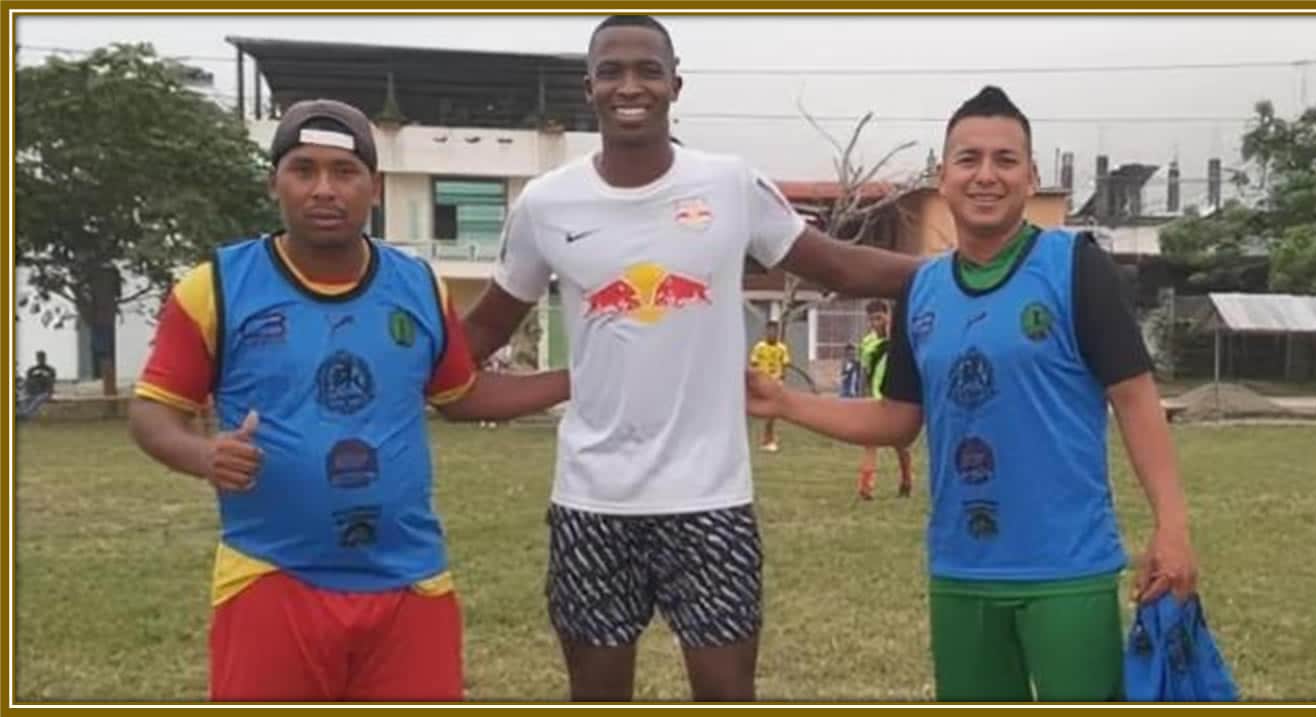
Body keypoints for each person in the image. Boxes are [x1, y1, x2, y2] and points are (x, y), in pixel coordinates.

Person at [459, 14, 921, 702]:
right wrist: (393, 362)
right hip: (592, 500)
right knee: (596, 694)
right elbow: (482, 332)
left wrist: (961, 270)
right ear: (588, 87)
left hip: (712, 498)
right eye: (611, 71)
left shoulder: (730, 185)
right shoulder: (546, 204)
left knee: (727, 693)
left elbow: (842, 267)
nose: (630, 85)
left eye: (647, 69)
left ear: (676, 84)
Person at [746, 86, 1198, 701]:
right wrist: (786, 402)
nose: (986, 175)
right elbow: (899, 418)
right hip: (961, 570)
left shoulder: (1075, 266)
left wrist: (1172, 528)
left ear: (1031, 176)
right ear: (943, 173)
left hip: (1067, 569)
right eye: (969, 159)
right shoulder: (922, 289)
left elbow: (1136, 399)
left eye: (1005, 161)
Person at [127, 99, 570, 702]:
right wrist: (202, 454)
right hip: (271, 574)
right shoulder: (216, 287)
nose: (323, 189)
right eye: (303, 170)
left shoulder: (417, 285)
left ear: (375, 187)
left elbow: (463, 395)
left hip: (409, 581)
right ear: (274, 183)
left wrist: (584, 378)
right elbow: (153, 411)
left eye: (343, 172)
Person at [857, 300, 913, 500]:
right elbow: (865, 370)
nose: (875, 323)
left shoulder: (900, 341)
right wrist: (861, 394)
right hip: (874, 398)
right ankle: (866, 487)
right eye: (872, 319)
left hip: (895, 399)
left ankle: (906, 481)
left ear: (888, 316)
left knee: (900, 445)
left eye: (879, 318)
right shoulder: (867, 343)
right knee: (870, 442)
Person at [749, 320, 790, 453]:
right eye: (770, 331)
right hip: (762, 382)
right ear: (766, 332)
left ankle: (768, 439)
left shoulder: (782, 348)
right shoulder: (759, 347)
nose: (772, 334)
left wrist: (782, 379)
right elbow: (753, 364)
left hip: (775, 382)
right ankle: (767, 439)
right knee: (764, 412)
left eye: (775, 331)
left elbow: (784, 366)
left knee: (772, 413)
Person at [19, 350, 56, 419]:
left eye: (42, 358)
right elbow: (28, 381)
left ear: (45, 358)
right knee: (24, 399)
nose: (40, 359)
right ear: (37, 359)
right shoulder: (32, 369)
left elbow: (51, 382)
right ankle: (25, 414)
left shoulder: (50, 370)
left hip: (45, 393)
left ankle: (26, 414)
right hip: (33, 392)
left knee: (38, 399)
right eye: (39, 358)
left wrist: (41, 378)